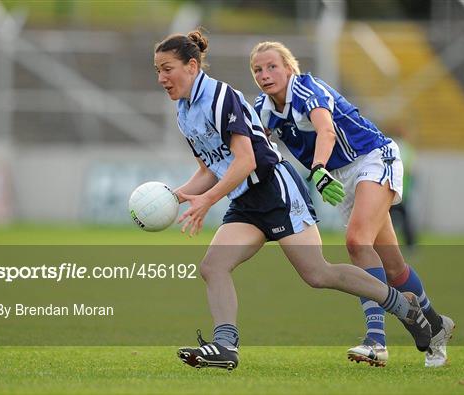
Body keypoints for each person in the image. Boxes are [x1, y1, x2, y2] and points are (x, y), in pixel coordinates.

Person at [154, 30, 431, 372]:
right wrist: (178, 195)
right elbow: (211, 168)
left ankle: (404, 307)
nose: (161, 78)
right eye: (158, 71)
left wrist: (208, 200)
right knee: (213, 267)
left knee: (318, 274)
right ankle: (225, 346)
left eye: (167, 69)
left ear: (192, 66)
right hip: (246, 200)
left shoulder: (220, 97)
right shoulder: (184, 112)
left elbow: (246, 161)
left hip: (276, 191)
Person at [249, 41, 454, 368]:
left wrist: (316, 169)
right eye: (258, 69)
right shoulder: (264, 107)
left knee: (357, 242)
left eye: (272, 66)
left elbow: (326, 132)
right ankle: (434, 323)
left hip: (373, 158)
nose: (265, 74)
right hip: (340, 176)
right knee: (394, 267)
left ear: (289, 68)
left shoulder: (306, 89)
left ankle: (376, 341)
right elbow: (256, 148)